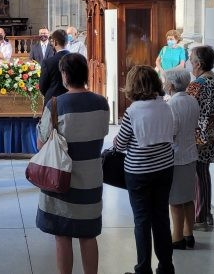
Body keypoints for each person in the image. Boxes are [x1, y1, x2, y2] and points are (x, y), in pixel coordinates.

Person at [36, 54, 109, 274]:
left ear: (65, 75)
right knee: (88, 235)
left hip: (62, 179)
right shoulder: (102, 103)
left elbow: (41, 144)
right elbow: (102, 132)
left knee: (62, 234)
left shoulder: (56, 104)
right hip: (91, 179)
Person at [114, 65, 176, 274]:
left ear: (133, 86)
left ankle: (143, 269)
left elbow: (120, 144)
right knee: (161, 218)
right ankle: (166, 266)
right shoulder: (166, 106)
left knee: (142, 220)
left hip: (139, 172)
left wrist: (116, 141)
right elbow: (172, 134)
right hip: (165, 167)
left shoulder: (132, 112)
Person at [185, 45, 214, 227]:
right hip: (212, 135)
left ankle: (200, 216)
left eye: (191, 60)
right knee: (203, 174)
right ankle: (205, 214)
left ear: (198, 64)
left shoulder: (199, 84)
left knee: (198, 176)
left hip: (199, 138)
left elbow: (184, 104)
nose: (189, 63)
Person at [163, 68, 199, 250]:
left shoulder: (171, 104)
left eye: (165, 81)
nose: (164, 84)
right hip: (191, 154)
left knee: (175, 200)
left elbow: (172, 132)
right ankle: (188, 234)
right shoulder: (193, 101)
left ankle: (176, 238)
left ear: (170, 85)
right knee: (188, 198)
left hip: (176, 157)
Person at [38, 29, 70, 105]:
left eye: (52, 41)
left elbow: (42, 86)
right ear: (67, 42)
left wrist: (50, 94)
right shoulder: (77, 59)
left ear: (55, 42)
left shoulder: (48, 62)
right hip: (71, 99)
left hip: (53, 100)